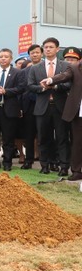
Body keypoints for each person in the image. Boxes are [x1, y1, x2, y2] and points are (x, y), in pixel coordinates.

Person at [28, 37, 70, 176]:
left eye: (51, 47)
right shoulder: (35, 68)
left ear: (57, 49)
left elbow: (69, 84)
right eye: (45, 47)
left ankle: (63, 166)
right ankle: (44, 165)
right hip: (42, 107)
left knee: (62, 137)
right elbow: (30, 86)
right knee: (43, 137)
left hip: (60, 107)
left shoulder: (65, 66)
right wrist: (42, 88)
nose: (48, 49)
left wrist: (56, 85)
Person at [41, 52, 82, 181]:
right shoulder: (75, 68)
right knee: (77, 142)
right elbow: (64, 76)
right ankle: (76, 171)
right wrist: (51, 80)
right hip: (78, 111)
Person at [20, 44, 43, 169]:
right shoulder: (24, 72)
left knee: (44, 134)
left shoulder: (47, 69)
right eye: (32, 53)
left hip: (44, 104)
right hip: (29, 106)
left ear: (41, 54)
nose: (34, 55)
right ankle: (28, 161)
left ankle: (48, 162)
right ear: (29, 55)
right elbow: (21, 89)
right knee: (29, 135)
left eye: (37, 52)